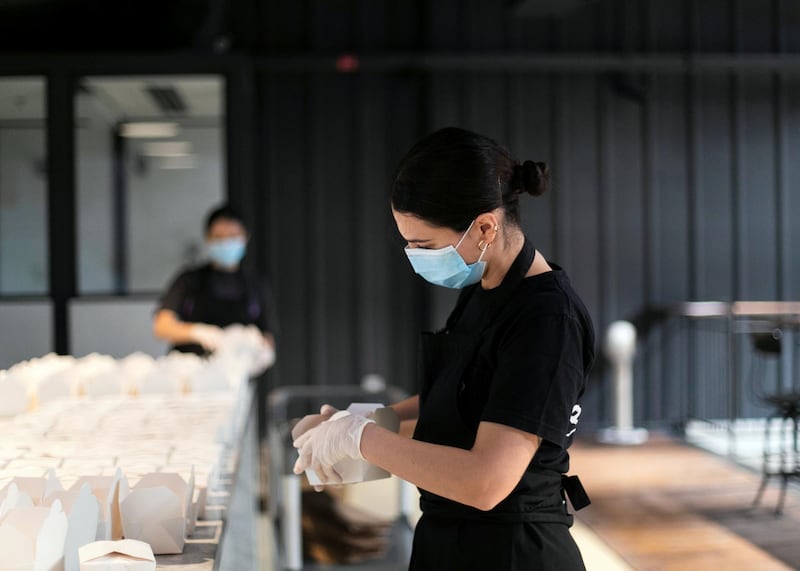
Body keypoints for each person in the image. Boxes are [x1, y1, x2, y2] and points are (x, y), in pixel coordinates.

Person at [292, 127, 595, 570]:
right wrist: (366, 419)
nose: (414, 256)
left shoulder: (548, 321)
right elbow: (459, 399)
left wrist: (363, 440)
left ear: (486, 227)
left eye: (423, 245)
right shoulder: (484, 288)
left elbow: (486, 481)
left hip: (511, 551)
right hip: (449, 537)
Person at [152, 203, 276, 357]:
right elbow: (161, 326)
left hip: (234, 374)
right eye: (219, 237)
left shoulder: (256, 286)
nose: (226, 243)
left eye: (233, 236)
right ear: (208, 239)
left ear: (245, 238)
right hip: (189, 370)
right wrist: (196, 332)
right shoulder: (189, 280)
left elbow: (267, 335)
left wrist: (261, 352)